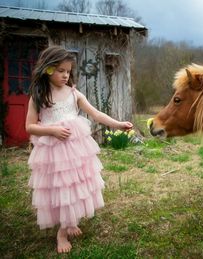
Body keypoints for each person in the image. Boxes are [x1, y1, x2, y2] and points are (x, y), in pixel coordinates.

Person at [26, 45, 133, 253]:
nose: (66, 75)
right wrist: (52, 130)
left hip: (76, 150)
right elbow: (29, 127)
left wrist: (118, 124)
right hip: (54, 151)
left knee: (76, 185)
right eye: (60, 71)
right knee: (61, 188)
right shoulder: (39, 95)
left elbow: (96, 114)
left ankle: (71, 221)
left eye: (68, 71)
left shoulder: (74, 93)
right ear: (48, 69)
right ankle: (61, 233)